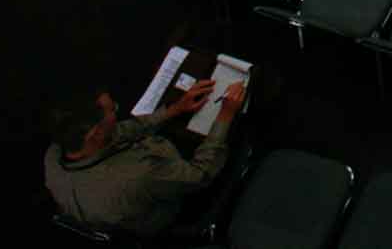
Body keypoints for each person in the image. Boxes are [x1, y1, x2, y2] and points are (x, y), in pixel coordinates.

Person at [44, 78, 246, 237]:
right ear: (93, 133)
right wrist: (225, 115)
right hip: (167, 210)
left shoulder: (57, 151)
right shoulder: (138, 174)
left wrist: (173, 110)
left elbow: (117, 133)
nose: (117, 109)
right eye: (112, 109)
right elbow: (200, 174)